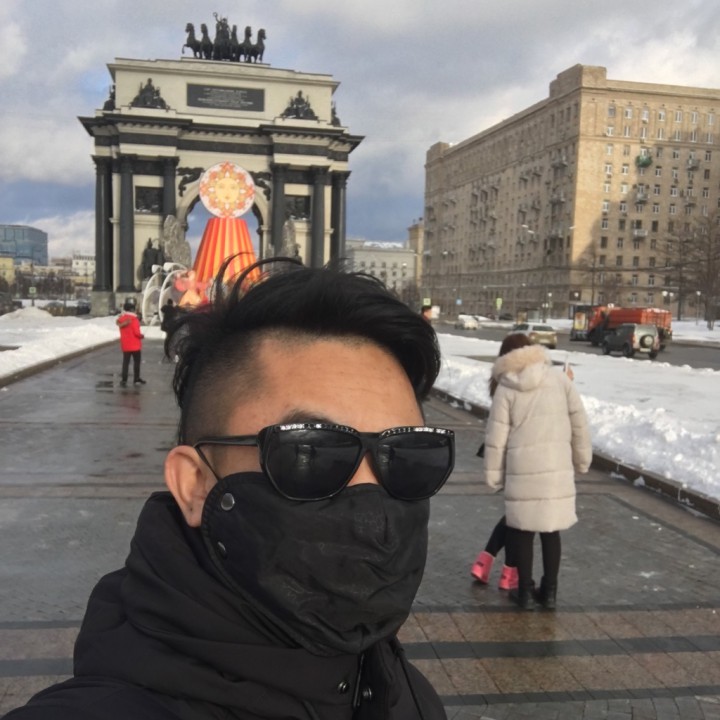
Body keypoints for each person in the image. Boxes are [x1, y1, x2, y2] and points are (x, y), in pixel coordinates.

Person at [6, 258, 453, 719]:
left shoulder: (407, 693)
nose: (372, 498)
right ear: (194, 484)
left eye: (408, 455)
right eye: (311, 453)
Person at [484, 333, 592, 610]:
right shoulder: (560, 380)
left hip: (523, 470)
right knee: (551, 531)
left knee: (521, 531)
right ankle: (550, 592)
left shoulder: (506, 388)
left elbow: (496, 438)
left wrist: (494, 476)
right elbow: (579, 423)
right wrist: (582, 460)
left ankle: (523, 593)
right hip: (556, 468)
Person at [116, 299, 146, 387]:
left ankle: (124, 379)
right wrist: (141, 336)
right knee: (136, 363)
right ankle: (136, 378)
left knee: (125, 363)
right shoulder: (134, 319)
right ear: (132, 309)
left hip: (125, 345)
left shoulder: (121, 319)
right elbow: (136, 333)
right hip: (135, 345)